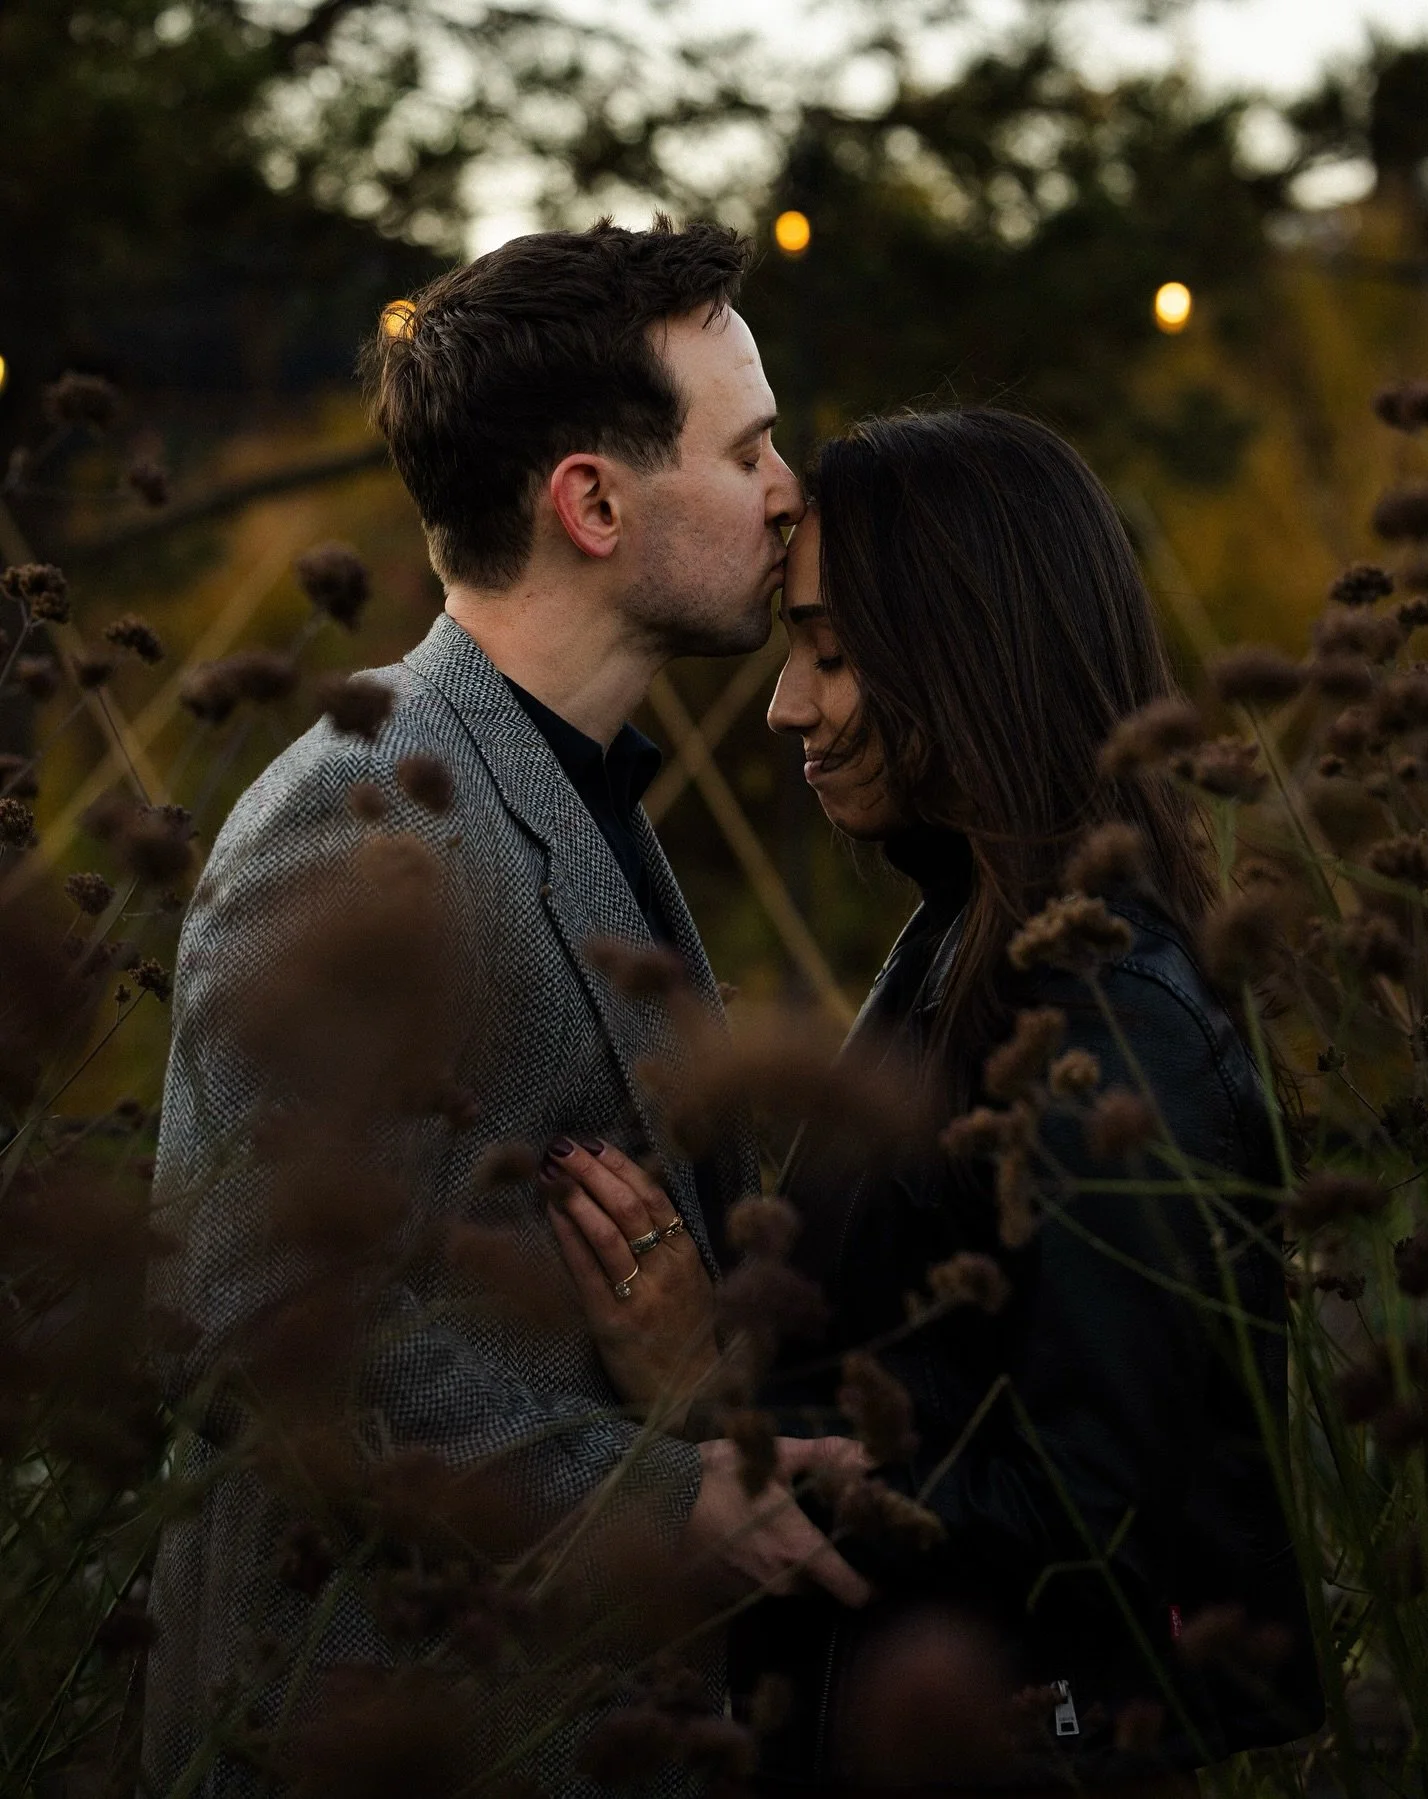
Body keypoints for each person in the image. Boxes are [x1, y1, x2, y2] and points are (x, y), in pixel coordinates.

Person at [141, 218, 869, 1799]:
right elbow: (257, 1327)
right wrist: (661, 1499)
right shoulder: (368, 819)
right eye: (745, 450)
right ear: (593, 503)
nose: (788, 487)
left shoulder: (569, 785)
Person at [549, 408, 1325, 1792]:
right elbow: (937, 1360)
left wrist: (715, 1411)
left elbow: (1086, 1510)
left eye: (833, 654)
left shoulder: (1105, 1018)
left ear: (972, 656)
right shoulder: (964, 943)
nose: (789, 703)